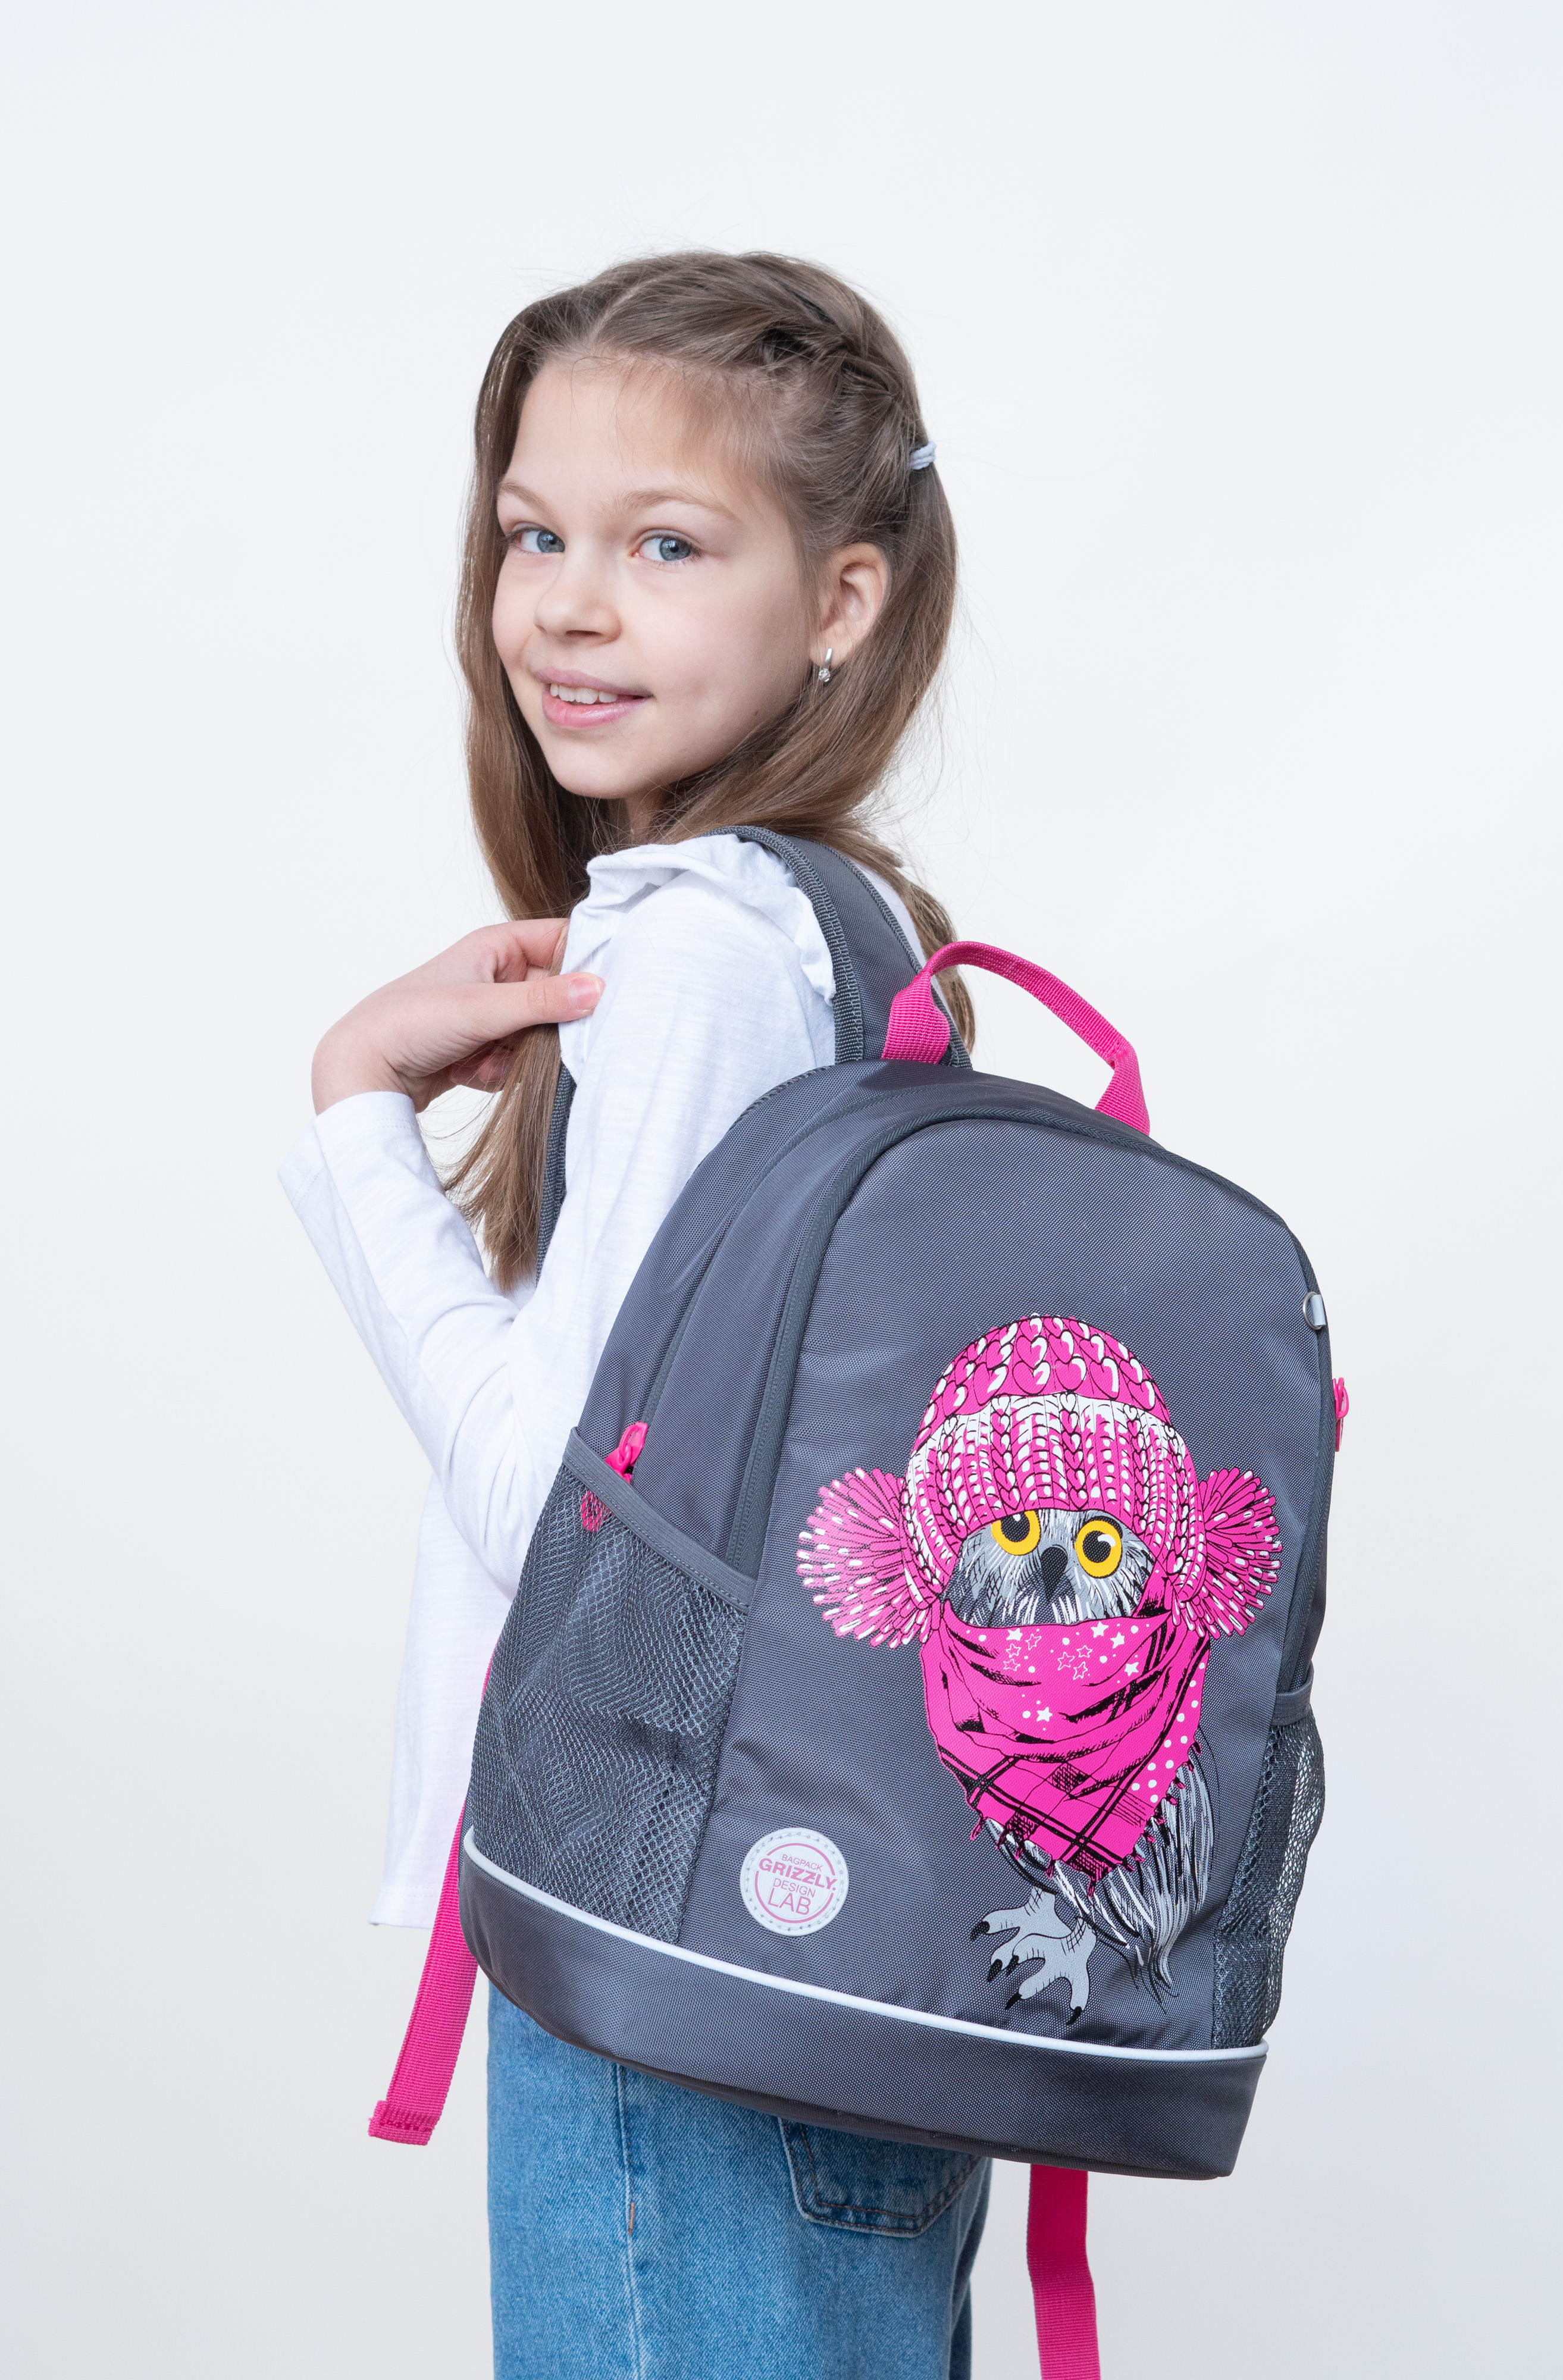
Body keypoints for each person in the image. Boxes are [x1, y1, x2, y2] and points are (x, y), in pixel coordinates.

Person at [282, 250, 987, 2380]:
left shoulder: (696, 947)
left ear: (841, 601)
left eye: (665, 545)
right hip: (824, 1934)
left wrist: (354, 1117)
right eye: (534, 536)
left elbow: (572, 1516)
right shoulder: (851, 931)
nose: (569, 609)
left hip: (665, 1954)